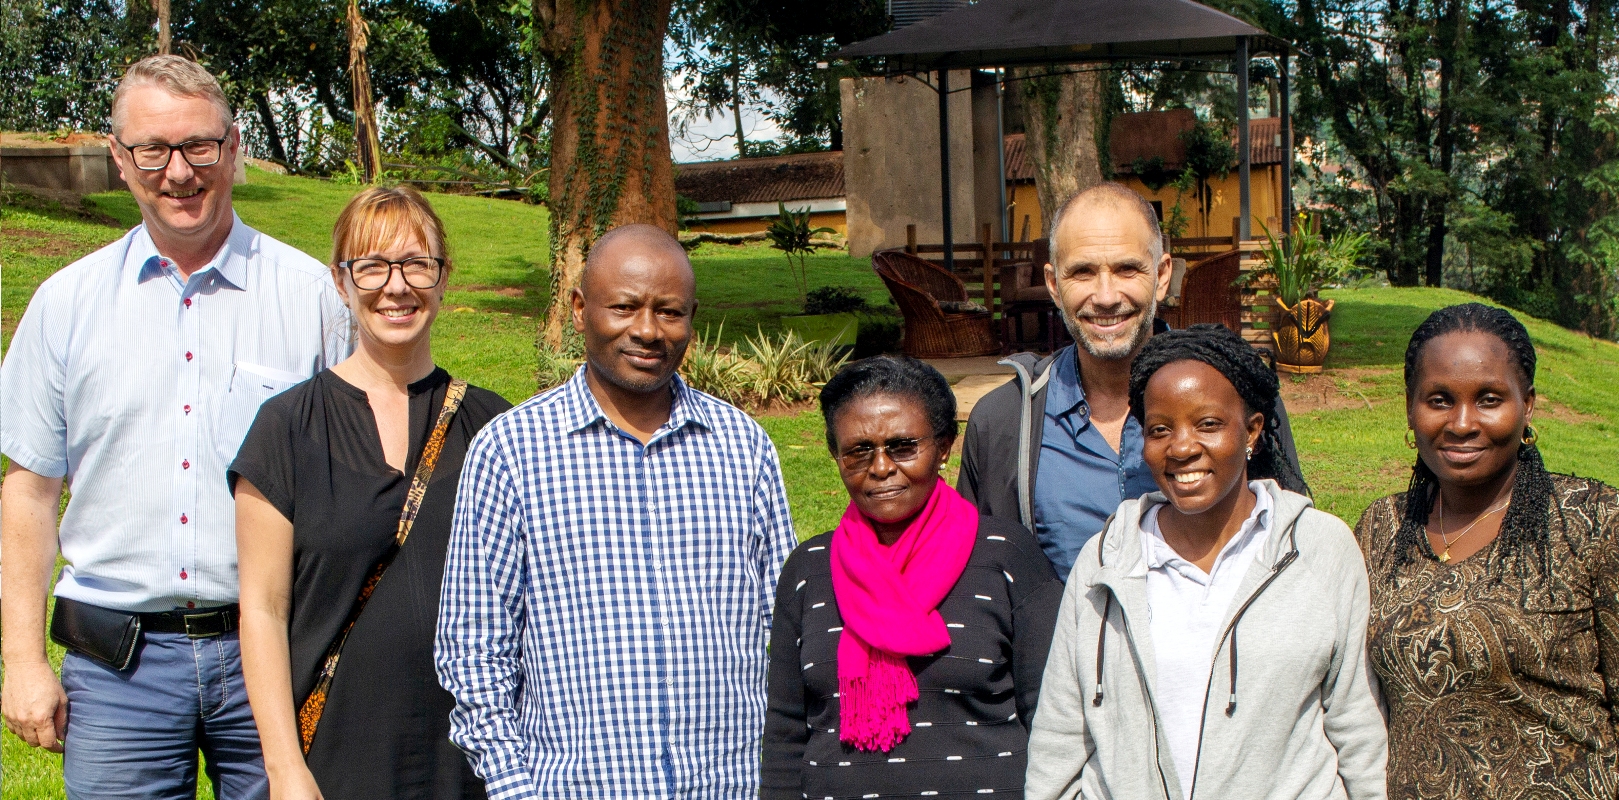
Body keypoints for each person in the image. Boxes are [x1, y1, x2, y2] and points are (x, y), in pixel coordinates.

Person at [0, 56, 349, 799]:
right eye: (152, 150)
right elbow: (29, 490)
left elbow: (353, 480)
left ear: (233, 148)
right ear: (119, 159)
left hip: (277, 651)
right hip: (116, 666)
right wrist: (23, 661)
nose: (179, 172)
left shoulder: (312, 297)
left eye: (198, 146)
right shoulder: (66, 305)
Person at [434, 223, 797, 800]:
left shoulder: (741, 446)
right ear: (580, 310)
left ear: (692, 318)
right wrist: (515, 788)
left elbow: (787, 625)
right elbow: (475, 649)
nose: (648, 331)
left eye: (669, 312)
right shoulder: (512, 451)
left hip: (732, 784)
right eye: (624, 307)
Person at [1025, 324, 1386, 800]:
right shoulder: (1106, 560)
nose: (1181, 447)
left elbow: (1356, 726)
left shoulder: (1320, 548)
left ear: (1253, 429)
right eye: (1159, 430)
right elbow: (1061, 734)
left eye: (1208, 425)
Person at [232, 186, 510, 800]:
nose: (397, 286)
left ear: (443, 279)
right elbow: (264, 608)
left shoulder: (497, 428)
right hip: (334, 751)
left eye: (417, 264)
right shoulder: (286, 427)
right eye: (373, 266)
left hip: (470, 758)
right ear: (341, 281)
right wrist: (284, 770)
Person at [958, 183, 1302, 580]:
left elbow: (1286, 554)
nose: (1105, 296)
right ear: (1053, 284)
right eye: (1083, 272)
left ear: (1161, 275)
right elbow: (982, 580)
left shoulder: (1237, 398)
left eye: (1127, 269)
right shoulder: (1005, 422)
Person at [763, 356, 1062, 800]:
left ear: (943, 447)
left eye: (903, 446)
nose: (881, 467)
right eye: (858, 450)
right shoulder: (809, 569)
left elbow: (1053, 717)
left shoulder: (1007, 556)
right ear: (835, 455)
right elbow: (786, 732)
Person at [1355, 303, 1619, 798]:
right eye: (1438, 400)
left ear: (1528, 406)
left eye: (1489, 399)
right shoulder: (1382, 529)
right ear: (1410, 409)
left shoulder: (1593, 521)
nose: (1461, 422)